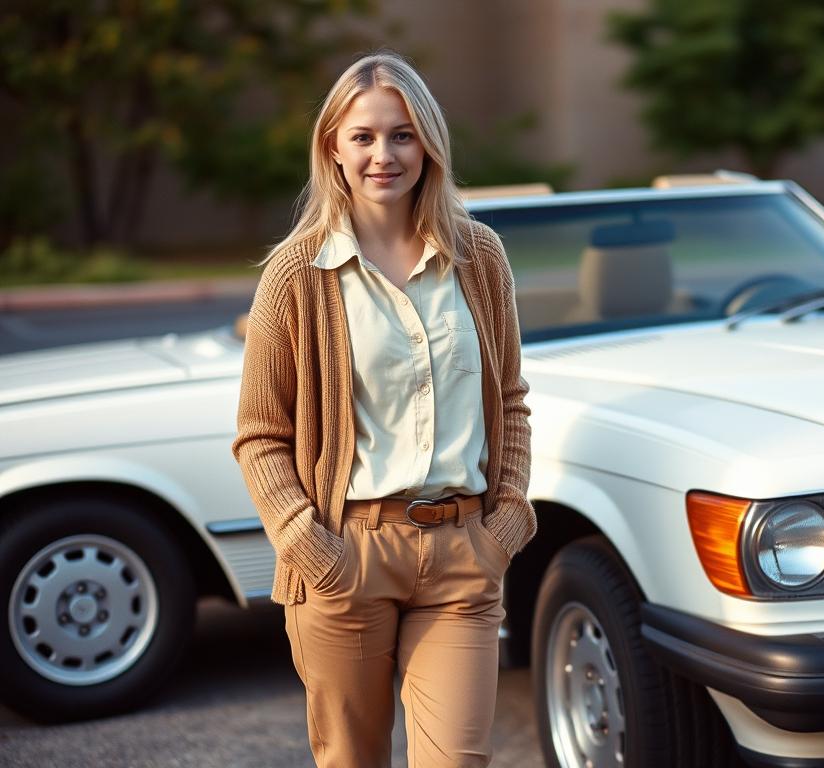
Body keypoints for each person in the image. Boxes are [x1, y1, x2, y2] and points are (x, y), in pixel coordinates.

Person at [230, 50, 537, 767]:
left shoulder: (479, 257)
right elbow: (260, 435)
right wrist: (312, 548)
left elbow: (511, 402)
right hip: (347, 556)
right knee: (352, 759)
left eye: (401, 134)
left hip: (464, 551)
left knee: (459, 758)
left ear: (427, 142)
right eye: (363, 136)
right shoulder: (296, 274)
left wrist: (506, 522)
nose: (383, 155)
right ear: (333, 147)